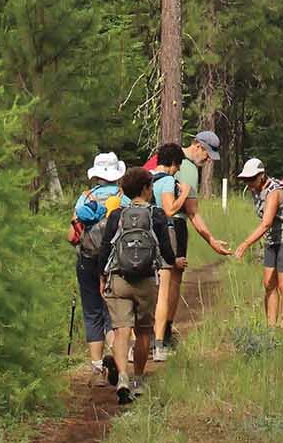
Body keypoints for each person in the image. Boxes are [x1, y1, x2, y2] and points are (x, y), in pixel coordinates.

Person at [98, 166, 182, 405]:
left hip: (119, 279)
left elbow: (105, 248)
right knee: (144, 331)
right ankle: (137, 380)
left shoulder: (117, 215)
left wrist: (102, 276)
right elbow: (166, 250)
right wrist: (175, 260)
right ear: (146, 189)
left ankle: (122, 378)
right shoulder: (156, 214)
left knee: (121, 330)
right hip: (145, 280)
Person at [155, 129, 231, 352]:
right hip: (174, 226)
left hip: (151, 223)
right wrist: (211, 240)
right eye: (207, 154)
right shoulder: (187, 169)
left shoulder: (165, 158)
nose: (208, 160)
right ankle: (164, 334)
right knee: (172, 281)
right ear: (197, 146)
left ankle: (151, 333)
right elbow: (192, 212)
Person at [71, 151, 125, 382]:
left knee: (92, 311)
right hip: (115, 262)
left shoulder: (85, 198)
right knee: (113, 313)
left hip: (87, 259)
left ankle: (97, 370)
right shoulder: (123, 198)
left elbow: (72, 234)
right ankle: (118, 361)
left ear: (96, 175)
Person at [234, 158, 283, 329]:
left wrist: (245, 244)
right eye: (246, 179)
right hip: (271, 240)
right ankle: (271, 327)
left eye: (252, 179)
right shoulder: (255, 190)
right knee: (268, 283)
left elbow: (266, 223)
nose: (249, 183)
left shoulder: (274, 192)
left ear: (262, 176)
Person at [149, 142, 186, 362]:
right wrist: (184, 194)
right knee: (163, 292)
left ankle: (137, 344)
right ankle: (159, 343)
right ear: (172, 163)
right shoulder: (168, 181)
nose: (177, 169)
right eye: (177, 165)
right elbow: (169, 209)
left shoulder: (144, 178)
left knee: (146, 292)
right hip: (162, 237)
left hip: (142, 240)